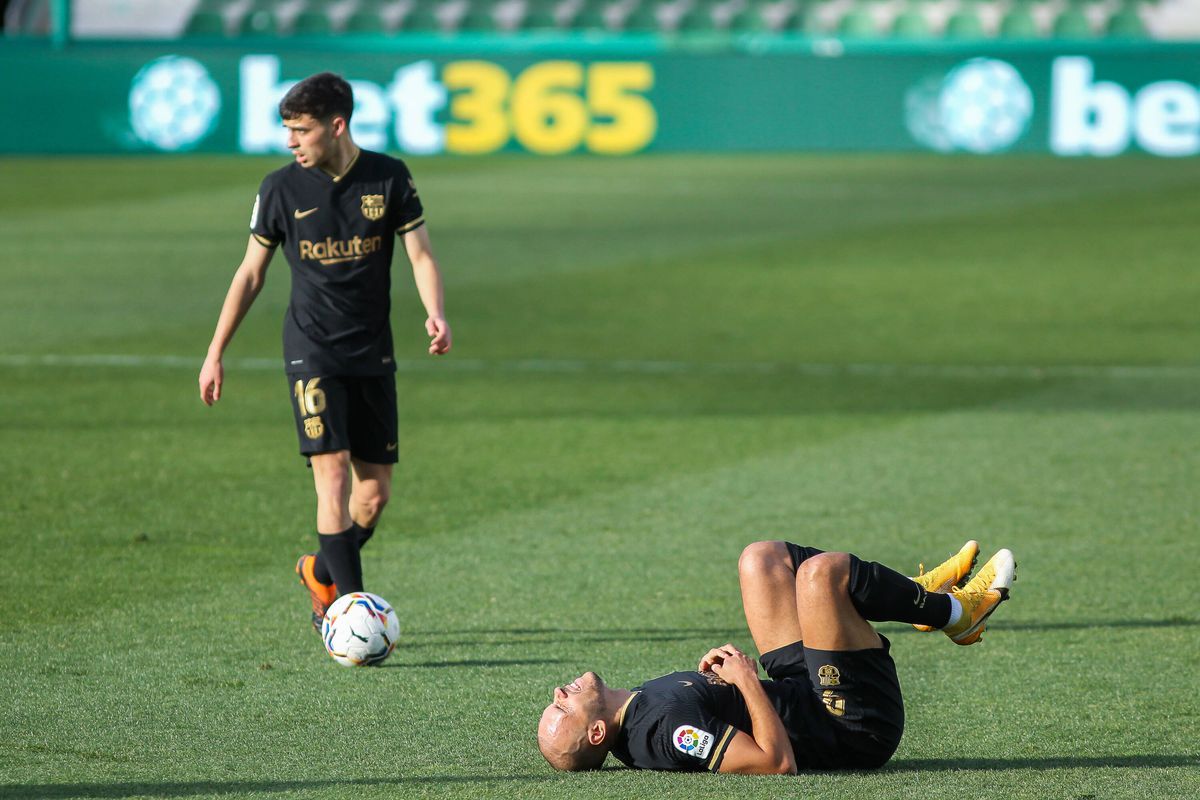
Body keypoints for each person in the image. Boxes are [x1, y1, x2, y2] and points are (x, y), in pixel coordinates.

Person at [198, 72, 451, 631]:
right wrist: (216, 351)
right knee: (331, 473)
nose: (291, 141)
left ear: (337, 126)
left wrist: (435, 311)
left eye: (301, 130)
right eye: (287, 129)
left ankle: (321, 570)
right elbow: (250, 274)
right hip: (310, 349)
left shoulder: (388, 177)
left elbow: (422, 256)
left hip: (372, 350)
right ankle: (351, 612)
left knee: (374, 495)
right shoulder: (280, 188)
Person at [538, 540, 1016, 774]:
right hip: (850, 723)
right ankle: (955, 614)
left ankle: (912, 598)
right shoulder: (667, 734)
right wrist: (745, 679)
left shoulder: (638, 710)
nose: (559, 692)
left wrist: (723, 680)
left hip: (801, 690)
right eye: (562, 707)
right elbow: (775, 763)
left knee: (761, 560)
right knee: (820, 575)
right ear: (597, 732)